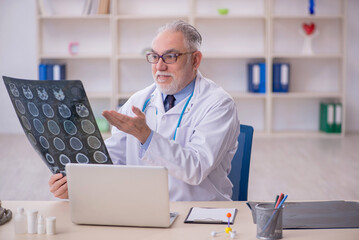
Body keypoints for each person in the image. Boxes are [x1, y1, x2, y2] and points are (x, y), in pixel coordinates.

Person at [49, 20, 240, 201]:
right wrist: (75, 183)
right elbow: (112, 161)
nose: (159, 66)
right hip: (143, 208)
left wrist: (146, 136)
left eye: (171, 56)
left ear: (195, 60)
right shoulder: (138, 101)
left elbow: (196, 168)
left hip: (199, 213)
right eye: (155, 57)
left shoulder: (219, 104)